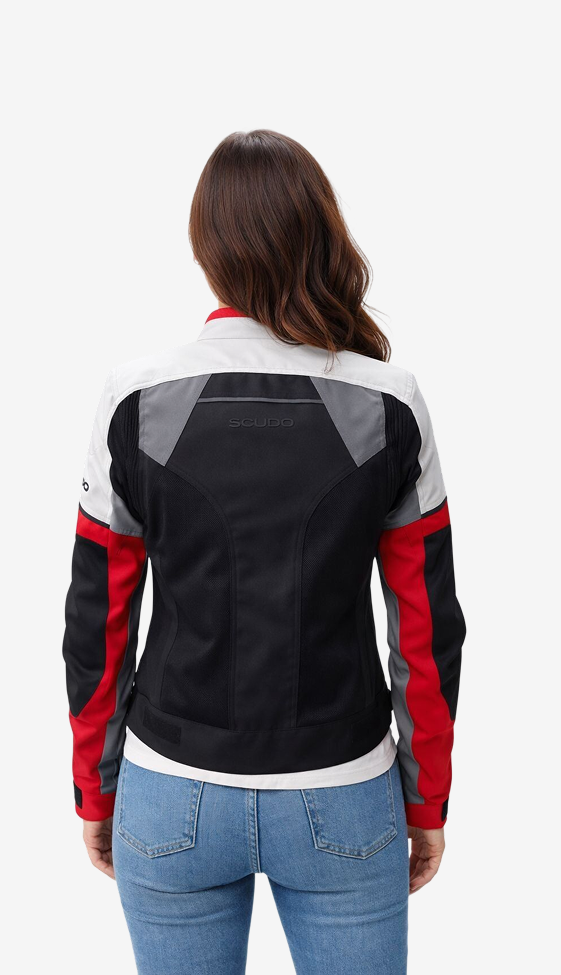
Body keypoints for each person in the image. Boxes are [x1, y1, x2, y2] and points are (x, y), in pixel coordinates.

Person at [62, 129, 466, 975]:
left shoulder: (134, 400)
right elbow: (428, 630)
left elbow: (96, 622)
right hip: (344, 794)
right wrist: (426, 797)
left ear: (205, 246)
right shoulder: (389, 402)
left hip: (169, 793)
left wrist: (95, 786)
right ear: (318, 233)